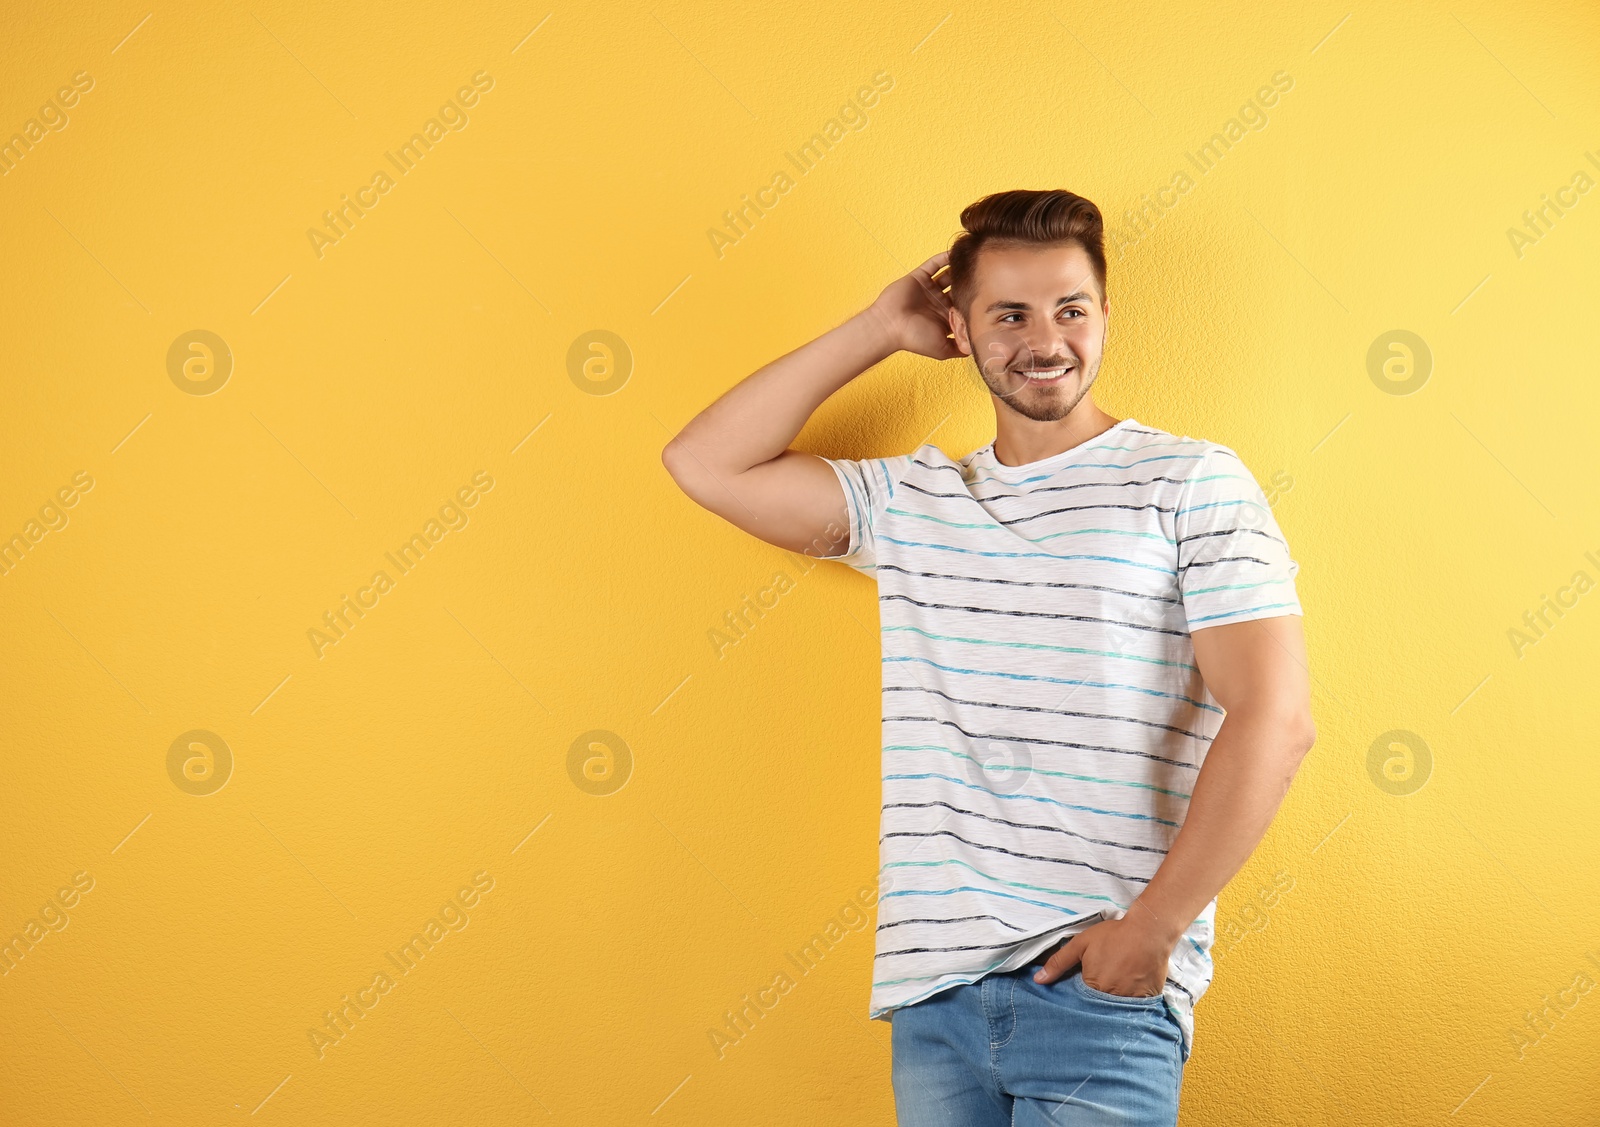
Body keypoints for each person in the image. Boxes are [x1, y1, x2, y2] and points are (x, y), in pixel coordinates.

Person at [661, 188, 1316, 1126]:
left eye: (1070, 308)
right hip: (936, 1001)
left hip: (1103, 993)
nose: (1044, 339)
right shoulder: (917, 501)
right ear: (959, 329)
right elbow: (706, 464)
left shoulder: (1189, 481)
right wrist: (879, 327)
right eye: (1008, 313)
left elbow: (1277, 717)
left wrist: (1153, 932)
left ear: (1102, 318)